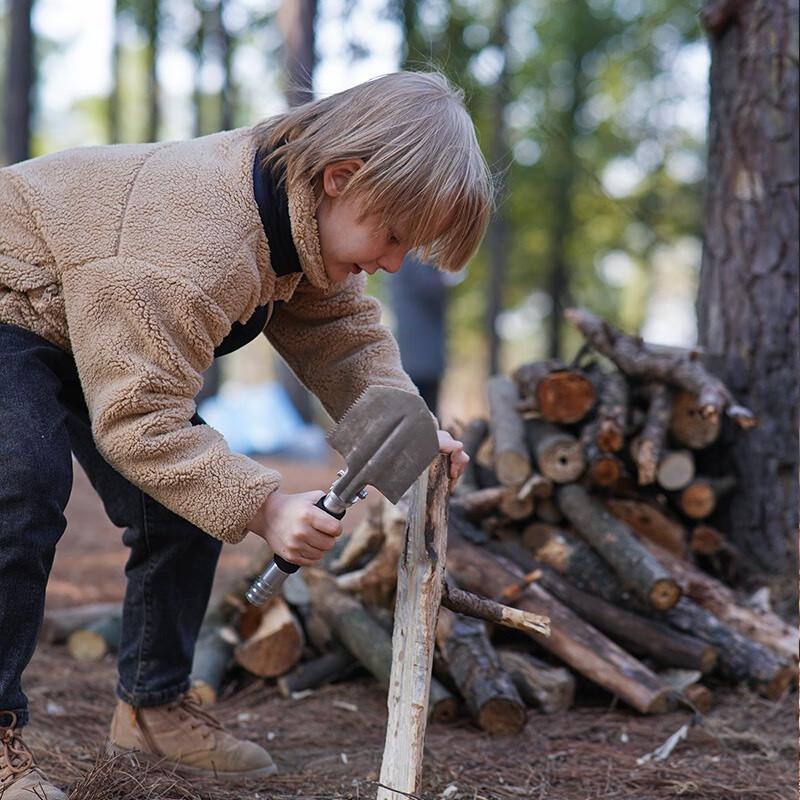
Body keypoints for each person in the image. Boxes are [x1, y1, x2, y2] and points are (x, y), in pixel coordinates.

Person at [0, 71, 492, 797]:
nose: (391, 263)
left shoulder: (296, 221)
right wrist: (267, 508)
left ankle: (151, 704)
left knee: (182, 505)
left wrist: (410, 444)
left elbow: (346, 341)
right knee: (20, 482)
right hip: (11, 293)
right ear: (341, 177)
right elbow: (139, 420)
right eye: (392, 237)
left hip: (79, 318)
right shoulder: (195, 239)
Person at [389, 253, 448, 417]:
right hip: (421, 355)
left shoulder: (405, 256)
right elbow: (429, 290)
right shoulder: (414, 256)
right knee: (424, 413)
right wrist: (443, 277)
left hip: (417, 353)